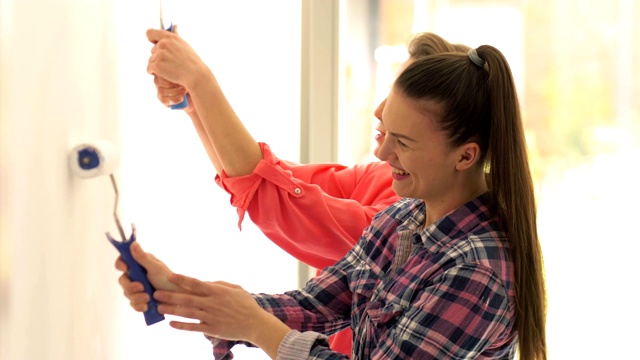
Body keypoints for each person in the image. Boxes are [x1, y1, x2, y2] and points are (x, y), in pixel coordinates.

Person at [120, 37, 547, 359]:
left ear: (466, 155)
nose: (382, 154)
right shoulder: (400, 218)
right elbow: (313, 304)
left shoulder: (477, 271)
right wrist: (180, 293)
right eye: (383, 131)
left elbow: (276, 199)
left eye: (402, 141)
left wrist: (255, 325)